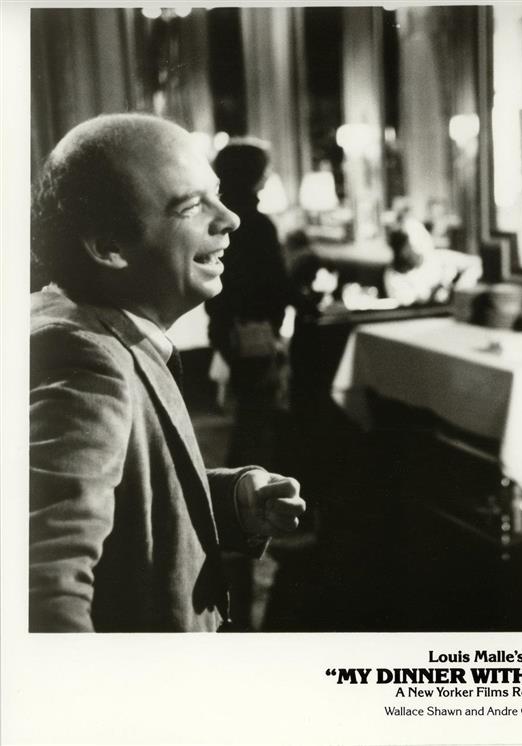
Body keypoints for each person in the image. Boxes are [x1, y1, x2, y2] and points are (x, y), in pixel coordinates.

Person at [29, 113, 307, 632]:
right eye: (191, 206)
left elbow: (130, 505)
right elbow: (42, 589)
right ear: (109, 246)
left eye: (216, 194)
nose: (231, 219)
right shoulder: (83, 361)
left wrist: (231, 502)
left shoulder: (91, 329)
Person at [205, 138, 292, 470]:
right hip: (253, 330)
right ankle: (246, 486)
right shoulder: (256, 223)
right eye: (263, 171)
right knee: (257, 415)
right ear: (253, 176)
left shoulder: (216, 219)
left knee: (249, 410)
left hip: (227, 325)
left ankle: (239, 481)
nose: (267, 177)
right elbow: (276, 282)